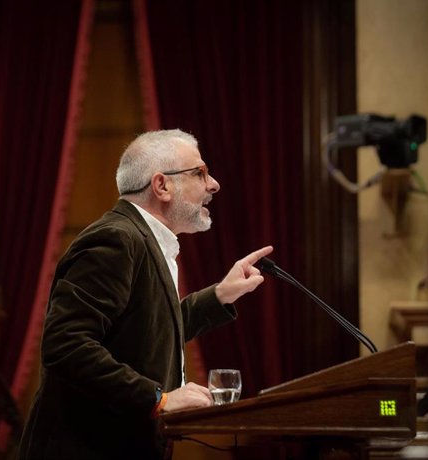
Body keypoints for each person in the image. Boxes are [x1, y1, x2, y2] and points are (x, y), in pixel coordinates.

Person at [18, 129, 273, 460]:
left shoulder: (144, 240)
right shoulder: (116, 240)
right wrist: (159, 399)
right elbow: (66, 345)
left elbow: (147, 331)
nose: (214, 184)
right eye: (200, 172)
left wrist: (220, 296)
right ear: (162, 186)